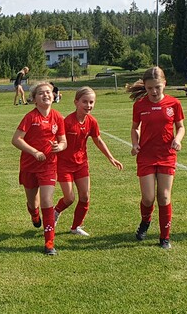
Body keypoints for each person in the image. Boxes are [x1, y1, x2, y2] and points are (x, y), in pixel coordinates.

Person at [54, 87, 123, 238]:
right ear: (76, 102)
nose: (88, 105)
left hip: (81, 164)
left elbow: (98, 140)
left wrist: (111, 157)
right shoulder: (67, 122)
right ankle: (56, 211)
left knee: (85, 197)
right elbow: (57, 140)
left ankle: (76, 227)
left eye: (91, 102)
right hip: (64, 165)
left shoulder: (92, 121)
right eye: (85, 102)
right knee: (69, 198)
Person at [128, 67, 184, 249]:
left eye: (157, 87)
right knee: (148, 198)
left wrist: (177, 139)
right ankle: (145, 221)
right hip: (146, 156)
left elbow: (181, 127)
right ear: (145, 86)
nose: (153, 91)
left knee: (164, 197)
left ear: (164, 84)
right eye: (150, 88)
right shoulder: (140, 105)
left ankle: (164, 237)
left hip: (167, 155)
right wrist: (135, 143)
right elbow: (135, 128)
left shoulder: (174, 103)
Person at [12, 81, 67, 256]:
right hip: (29, 166)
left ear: (54, 95)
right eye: (41, 93)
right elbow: (16, 139)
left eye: (48, 92)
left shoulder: (58, 117)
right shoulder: (30, 117)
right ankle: (34, 214)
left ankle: (49, 243)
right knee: (32, 203)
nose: (46, 95)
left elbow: (63, 141)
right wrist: (34, 152)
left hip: (48, 165)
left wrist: (60, 146)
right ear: (34, 99)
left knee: (46, 200)